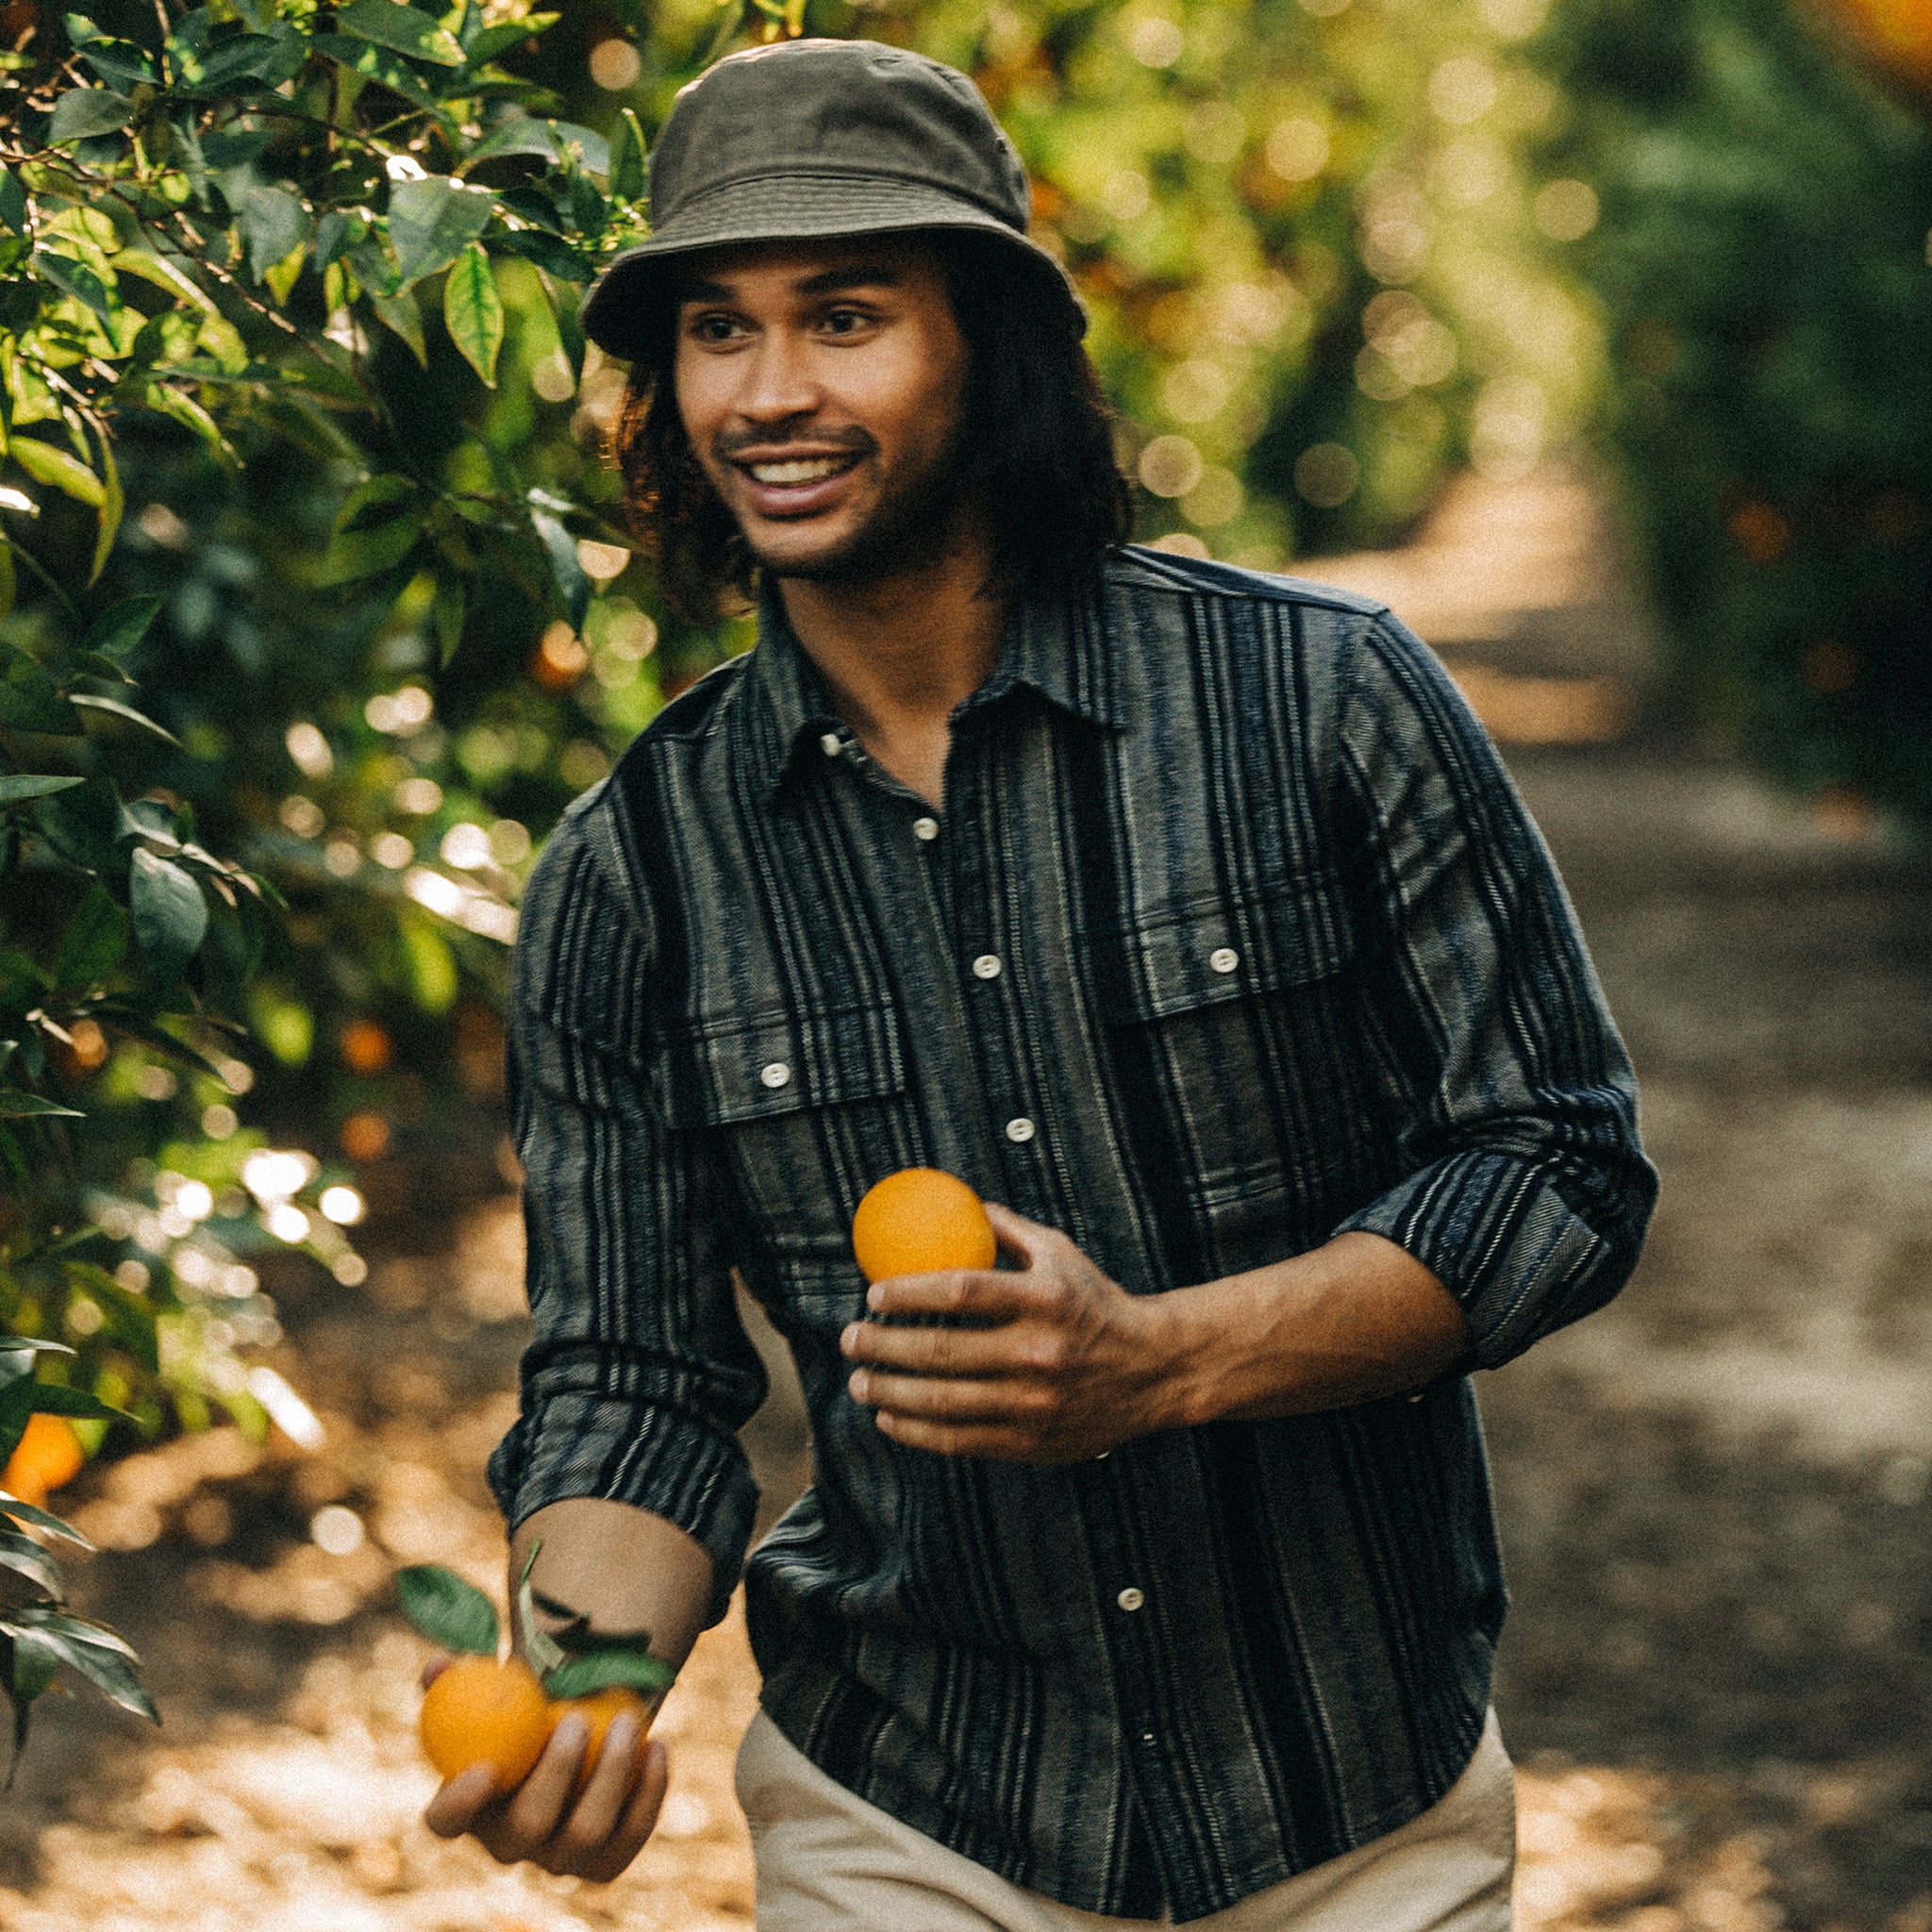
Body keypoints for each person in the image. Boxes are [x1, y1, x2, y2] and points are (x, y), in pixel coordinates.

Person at [425, 36, 1657, 1929]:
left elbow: (1555, 1163)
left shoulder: (1319, 703)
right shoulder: (632, 874)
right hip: (908, 1810)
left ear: (989, 344)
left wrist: (1162, 1361)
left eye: (843, 317)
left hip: (1346, 1794)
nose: (769, 394)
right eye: (716, 331)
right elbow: (630, 1376)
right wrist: (590, 1677)